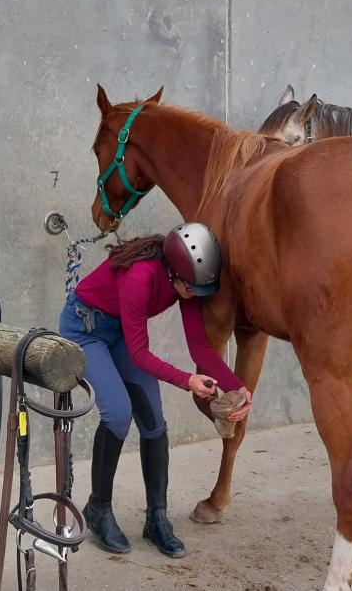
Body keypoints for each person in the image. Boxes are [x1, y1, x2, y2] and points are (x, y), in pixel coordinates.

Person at [59, 222, 252, 558]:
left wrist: (238, 386)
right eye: (191, 290)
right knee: (118, 414)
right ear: (174, 274)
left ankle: (156, 519)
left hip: (119, 329)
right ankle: (98, 509)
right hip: (85, 328)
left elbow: (200, 349)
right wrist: (187, 381)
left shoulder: (187, 281)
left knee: (154, 421)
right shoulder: (140, 277)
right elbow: (140, 355)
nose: (195, 296)